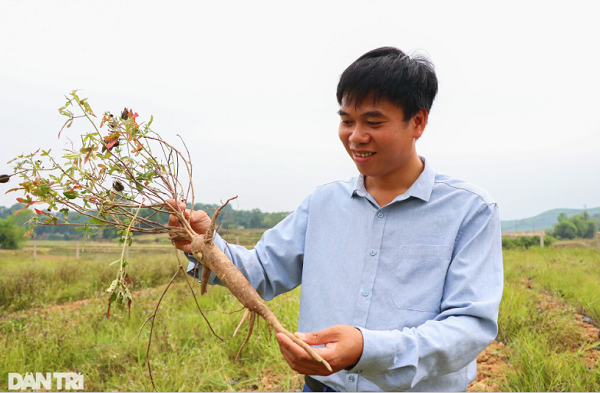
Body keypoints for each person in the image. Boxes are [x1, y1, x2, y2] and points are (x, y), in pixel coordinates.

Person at [170, 47, 503, 392]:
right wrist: (205, 244)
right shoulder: (324, 203)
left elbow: (468, 325)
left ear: (417, 121)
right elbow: (262, 272)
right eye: (347, 121)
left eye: (373, 122)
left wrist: (366, 349)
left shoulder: (469, 210)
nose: (356, 136)